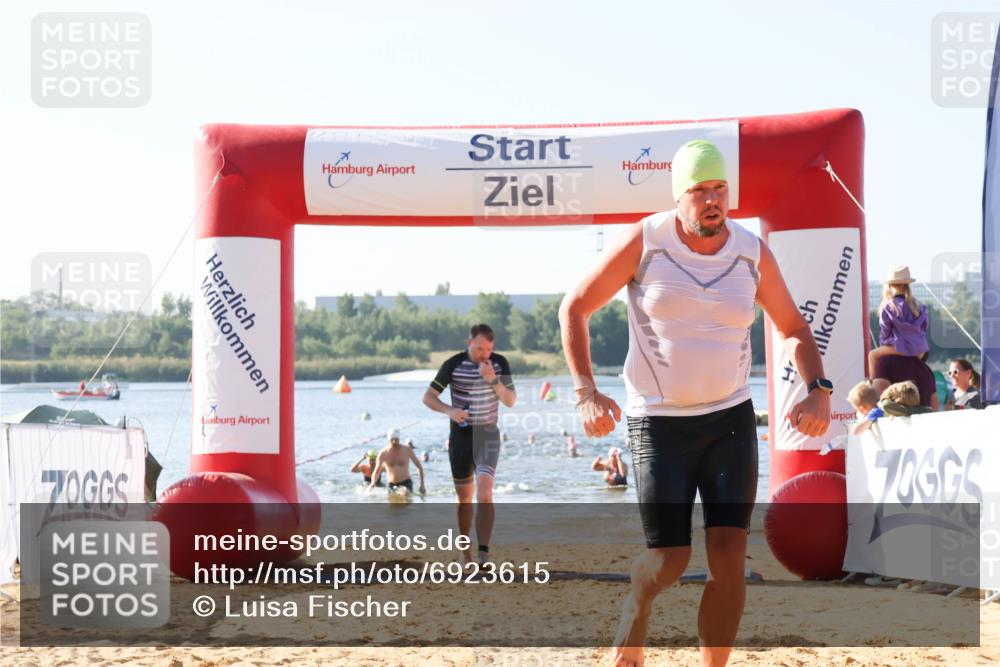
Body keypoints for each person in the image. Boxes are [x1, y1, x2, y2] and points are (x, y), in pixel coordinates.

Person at [559, 139, 832, 667]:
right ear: (678, 198)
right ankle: (636, 608)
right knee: (670, 558)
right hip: (658, 424)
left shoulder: (750, 250)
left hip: (730, 420)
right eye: (700, 190)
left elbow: (794, 327)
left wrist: (817, 388)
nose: (713, 200)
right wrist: (586, 392)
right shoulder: (646, 241)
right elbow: (576, 307)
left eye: (720, 188)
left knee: (729, 559)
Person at [422, 323, 516, 564]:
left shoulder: (499, 363)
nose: (484, 354)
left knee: (485, 493)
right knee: (464, 498)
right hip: (461, 437)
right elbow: (428, 397)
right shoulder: (453, 364)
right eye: (479, 349)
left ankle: (483, 553)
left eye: (488, 349)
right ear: (469, 342)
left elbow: (510, 401)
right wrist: (450, 410)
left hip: (487, 436)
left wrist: (493, 380)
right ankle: (466, 553)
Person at [868, 266, 929, 371]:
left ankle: (874, 384)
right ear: (907, 285)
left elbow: (885, 332)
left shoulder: (888, 306)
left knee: (872, 355)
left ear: (890, 286)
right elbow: (924, 327)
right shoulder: (919, 305)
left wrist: (886, 345)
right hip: (920, 349)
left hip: (900, 348)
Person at [369, 428, 426, 495]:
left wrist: (422, 485)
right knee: (393, 504)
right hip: (391, 484)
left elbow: (419, 467)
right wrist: (372, 483)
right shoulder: (383, 453)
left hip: (406, 482)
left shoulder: (407, 450)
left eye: (396, 439)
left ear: (399, 439)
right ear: (388, 439)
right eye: (392, 440)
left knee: (403, 495)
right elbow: (376, 471)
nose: (394, 442)